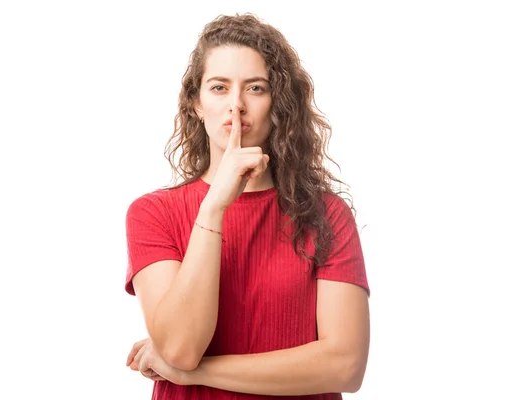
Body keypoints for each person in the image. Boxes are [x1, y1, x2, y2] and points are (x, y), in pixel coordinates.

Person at [123, 12, 370, 400]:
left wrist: (192, 375)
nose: (236, 105)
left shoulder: (327, 215)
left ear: (278, 103)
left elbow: (345, 366)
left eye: (255, 88)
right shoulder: (153, 214)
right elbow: (180, 348)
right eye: (219, 88)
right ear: (195, 103)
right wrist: (213, 207)